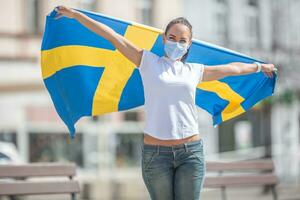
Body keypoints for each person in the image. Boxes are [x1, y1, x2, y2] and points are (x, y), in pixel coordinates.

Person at [55, 5, 277, 200]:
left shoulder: (194, 71)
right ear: (164, 39)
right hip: (155, 155)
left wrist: (259, 67)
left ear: (188, 46)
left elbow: (231, 69)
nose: (176, 43)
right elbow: (113, 36)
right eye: (172, 38)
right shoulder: (147, 62)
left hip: (190, 153)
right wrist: (76, 15)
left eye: (182, 41)